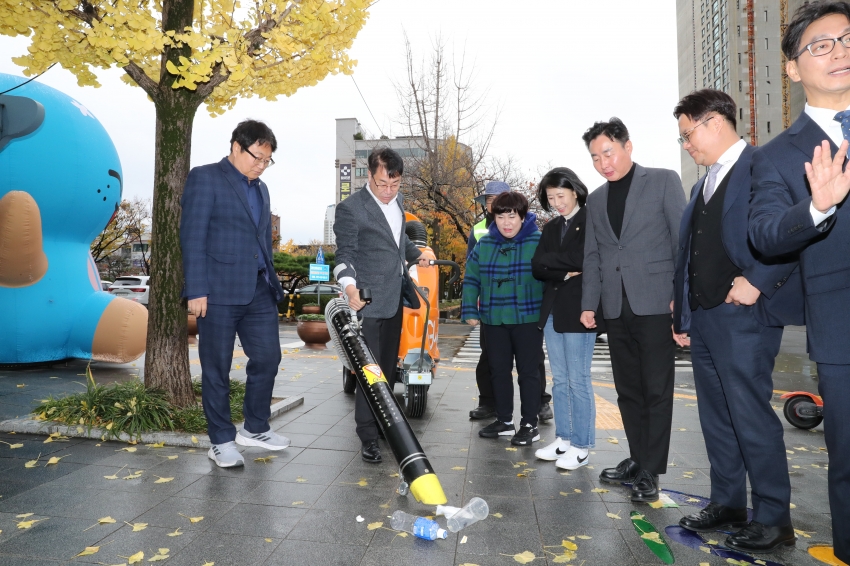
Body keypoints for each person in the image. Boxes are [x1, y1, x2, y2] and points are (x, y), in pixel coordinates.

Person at [671, 90, 803, 552]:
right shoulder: (700, 186)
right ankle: (727, 502)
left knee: (750, 416)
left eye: (688, 134)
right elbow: (690, 254)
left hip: (746, 315)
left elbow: (793, 229)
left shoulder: (764, 164)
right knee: (717, 418)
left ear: (714, 122)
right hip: (706, 318)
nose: (686, 144)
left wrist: (758, 281)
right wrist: (683, 313)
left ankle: (773, 518)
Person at [749, 2, 850, 560]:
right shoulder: (778, 157)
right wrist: (817, 207)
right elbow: (766, 234)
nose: (839, 51)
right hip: (843, 330)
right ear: (791, 68)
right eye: (821, 45)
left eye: (847, 38)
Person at [580, 117, 686, 502]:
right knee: (627, 390)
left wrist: (682, 298)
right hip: (615, 307)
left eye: (608, 153)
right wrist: (589, 304)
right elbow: (594, 255)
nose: (603, 163)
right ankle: (638, 458)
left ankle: (651, 470)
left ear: (627, 146)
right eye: (595, 157)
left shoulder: (663, 181)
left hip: (656, 302)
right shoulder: (595, 199)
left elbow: (682, 242)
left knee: (656, 389)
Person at [181, 119, 290, 468]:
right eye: (257, 157)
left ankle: (255, 428)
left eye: (267, 160)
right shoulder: (205, 177)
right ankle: (221, 441)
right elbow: (192, 236)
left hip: (258, 289)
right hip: (216, 291)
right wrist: (196, 289)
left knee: (268, 358)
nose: (262, 165)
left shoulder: (262, 189)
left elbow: (262, 240)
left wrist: (272, 279)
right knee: (217, 368)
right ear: (236, 147)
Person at [333, 147, 429, 464]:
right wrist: (349, 287)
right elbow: (344, 254)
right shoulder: (351, 209)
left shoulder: (398, 202)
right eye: (382, 184)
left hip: (394, 298)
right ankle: (368, 436)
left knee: (387, 369)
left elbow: (398, 239)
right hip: (367, 301)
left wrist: (417, 255)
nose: (388, 191)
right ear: (370, 175)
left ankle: (384, 424)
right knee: (370, 373)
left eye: (395, 184)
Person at [532, 168, 603, 470]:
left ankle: (582, 445)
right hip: (552, 309)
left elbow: (584, 259)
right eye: (551, 198)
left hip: (580, 309)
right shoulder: (550, 227)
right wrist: (563, 270)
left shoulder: (592, 221)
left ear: (575, 191)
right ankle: (563, 439)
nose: (557, 203)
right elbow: (537, 266)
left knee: (578, 379)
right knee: (559, 380)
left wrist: (554, 263)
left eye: (561, 195)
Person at [462, 192, 544, 446]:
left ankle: (530, 424)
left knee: (528, 372)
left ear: (523, 216)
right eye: (500, 217)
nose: (506, 223)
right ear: (494, 217)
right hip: (493, 316)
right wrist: (470, 310)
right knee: (498, 370)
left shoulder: (538, 241)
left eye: (512, 216)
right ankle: (505, 420)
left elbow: (551, 276)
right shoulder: (485, 243)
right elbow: (471, 278)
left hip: (528, 316)